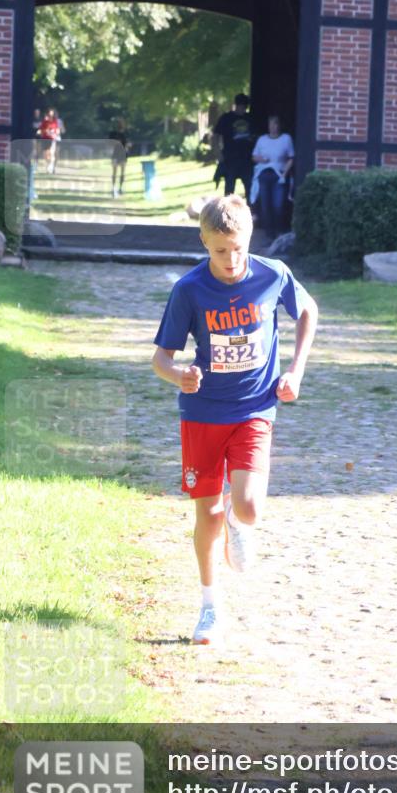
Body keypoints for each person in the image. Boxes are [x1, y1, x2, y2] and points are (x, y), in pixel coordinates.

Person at [151, 194, 318, 645]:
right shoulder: (189, 290)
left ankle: (237, 525)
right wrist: (179, 375)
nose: (231, 259)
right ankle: (209, 606)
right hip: (203, 413)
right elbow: (160, 359)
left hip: (253, 408)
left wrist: (296, 370)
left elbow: (307, 310)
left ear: (249, 238)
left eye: (238, 248)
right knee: (207, 512)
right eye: (220, 251)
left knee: (247, 506)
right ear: (205, 243)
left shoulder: (272, 274)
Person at [251, 115, 295, 239]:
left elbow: (291, 158)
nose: (273, 127)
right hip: (264, 174)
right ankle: (269, 235)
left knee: (278, 205)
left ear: (279, 125)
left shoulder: (286, 139)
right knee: (265, 205)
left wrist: (285, 174)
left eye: (275, 124)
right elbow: (254, 156)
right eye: (271, 124)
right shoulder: (262, 140)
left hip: (279, 175)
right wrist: (262, 159)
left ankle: (279, 231)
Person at [213, 94, 254, 201]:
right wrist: (218, 154)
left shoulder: (250, 118)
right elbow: (215, 136)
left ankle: (250, 212)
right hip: (230, 159)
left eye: (244, 107)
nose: (242, 109)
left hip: (247, 160)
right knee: (229, 190)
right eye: (241, 106)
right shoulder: (226, 118)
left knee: (250, 189)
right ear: (236, 105)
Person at [108, 118, 131, 198]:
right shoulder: (113, 133)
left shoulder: (126, 133)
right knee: (115, 172)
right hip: (115, 154)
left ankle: (120, 188)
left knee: (121, 172)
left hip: (122, 154)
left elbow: (129, 144)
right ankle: (114, 188)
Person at [38, 108, 61, 174]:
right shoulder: (45, 121)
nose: (50, 116)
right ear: (47, 114)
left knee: (51, 153)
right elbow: (40, 129)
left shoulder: (55, 121)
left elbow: (57, 130)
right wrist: (42, 132)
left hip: (52, 139)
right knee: (45, 154)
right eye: (49, 114)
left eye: (52, 115)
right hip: (45, 138)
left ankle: (50, 167)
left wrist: (56, 133)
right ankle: (49, 166)